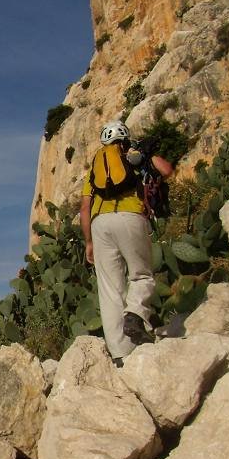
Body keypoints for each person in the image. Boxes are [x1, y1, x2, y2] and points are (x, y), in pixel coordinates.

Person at [79, 120, 173, 366]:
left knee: (110, 289)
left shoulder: (94, 172)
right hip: (130, 216)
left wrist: (88, 242)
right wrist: (146, 154)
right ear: (124, 138)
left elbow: (84, 208)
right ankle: (135, 313)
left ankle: (120, 353)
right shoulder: (133, 156)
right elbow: (166, 171)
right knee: (141, 275)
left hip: (100, 225)